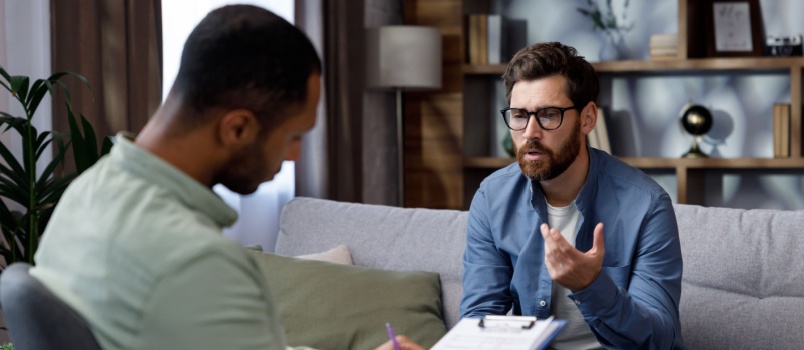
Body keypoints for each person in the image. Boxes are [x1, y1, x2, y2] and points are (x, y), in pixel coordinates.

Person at [30, 5, 421, 350]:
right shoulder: (196, 261)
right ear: (237, 129)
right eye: (293, 137)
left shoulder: (87, 192)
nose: (295, 155)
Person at [459, 42, 685, 349]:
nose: (530, 132)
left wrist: (591, 286)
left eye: (549, 115)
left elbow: (659, 339)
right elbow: (479, 320)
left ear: (588, 118)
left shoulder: (646, 205)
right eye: (519, 115)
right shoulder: (491, 198)